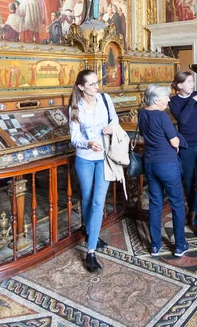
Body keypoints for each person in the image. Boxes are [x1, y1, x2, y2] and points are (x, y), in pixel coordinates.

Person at [69, 69, 119, 272]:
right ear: (81, 87)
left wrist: (110, 127)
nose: (96, 87)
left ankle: (90, 251)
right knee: (88, 198)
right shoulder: (75, 107)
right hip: (85, 158)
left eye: (97, 82)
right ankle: (91, 230)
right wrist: (88, 143)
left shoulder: (105, 99)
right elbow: (74, 137)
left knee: (99, 201)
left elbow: (114, 120)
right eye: (91, 84)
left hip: (104, 157)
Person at [138, 84, 189, 257]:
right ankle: (180, 245)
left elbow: (146, 138)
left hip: (150, 163)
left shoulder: (142, 113)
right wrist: (174, 143)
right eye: (166, 96)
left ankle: (155, 245)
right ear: (157, 99)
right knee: (176, 204)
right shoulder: (162, 116)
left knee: (155, 203)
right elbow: (175, 142)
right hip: (167, 163)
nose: (168, 99)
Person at [169, 71, 197, 243]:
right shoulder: (173, 101)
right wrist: (193, 101)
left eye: (192, 82)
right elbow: (183, 120)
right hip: (186, 146)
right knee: (188, 181)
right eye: (189, 82)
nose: (193, 85)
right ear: (179, 85)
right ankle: (192, 208)